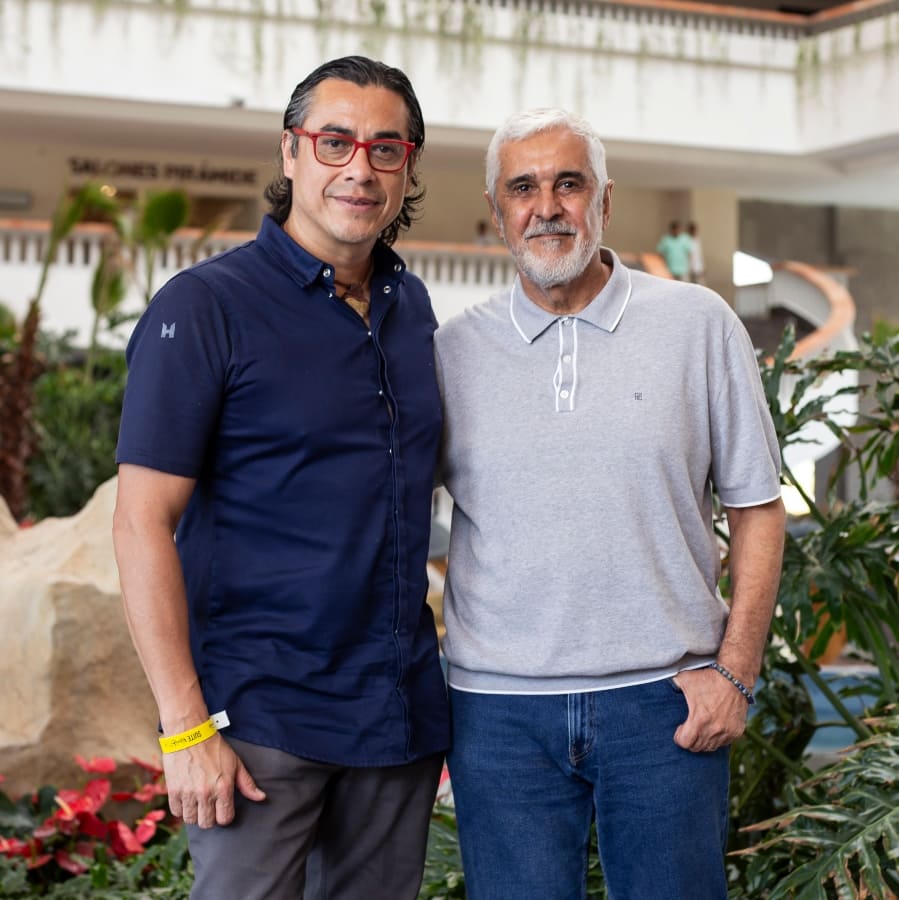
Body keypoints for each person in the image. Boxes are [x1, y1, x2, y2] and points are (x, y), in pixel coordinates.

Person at [112, 56, 449, 900]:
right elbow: (140, 522)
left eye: (384, 147)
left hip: (396, 718)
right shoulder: (204, 308)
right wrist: (186, 730)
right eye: (334, 141)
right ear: (290, 154)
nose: (357, 168)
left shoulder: (414, 310)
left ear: (407, 165)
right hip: (258, 725)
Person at [434, 108, 785, 900]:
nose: (546, 206)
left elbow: (758, 509)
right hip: (497, 715)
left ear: (604, 201)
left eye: (569, 183)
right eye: (522, 188)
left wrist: (735, 672)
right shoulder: (450, 351)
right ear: (496, 212)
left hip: (666, 706)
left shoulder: (696, 324)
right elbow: (387, 517)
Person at [688, 219, 707, 284]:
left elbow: (699, 255)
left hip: (698, 267)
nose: (694, 231)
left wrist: (702, 267)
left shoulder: (697, 239)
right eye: (692, 229)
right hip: (689, 268)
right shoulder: (686, 240)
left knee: (700, 284)